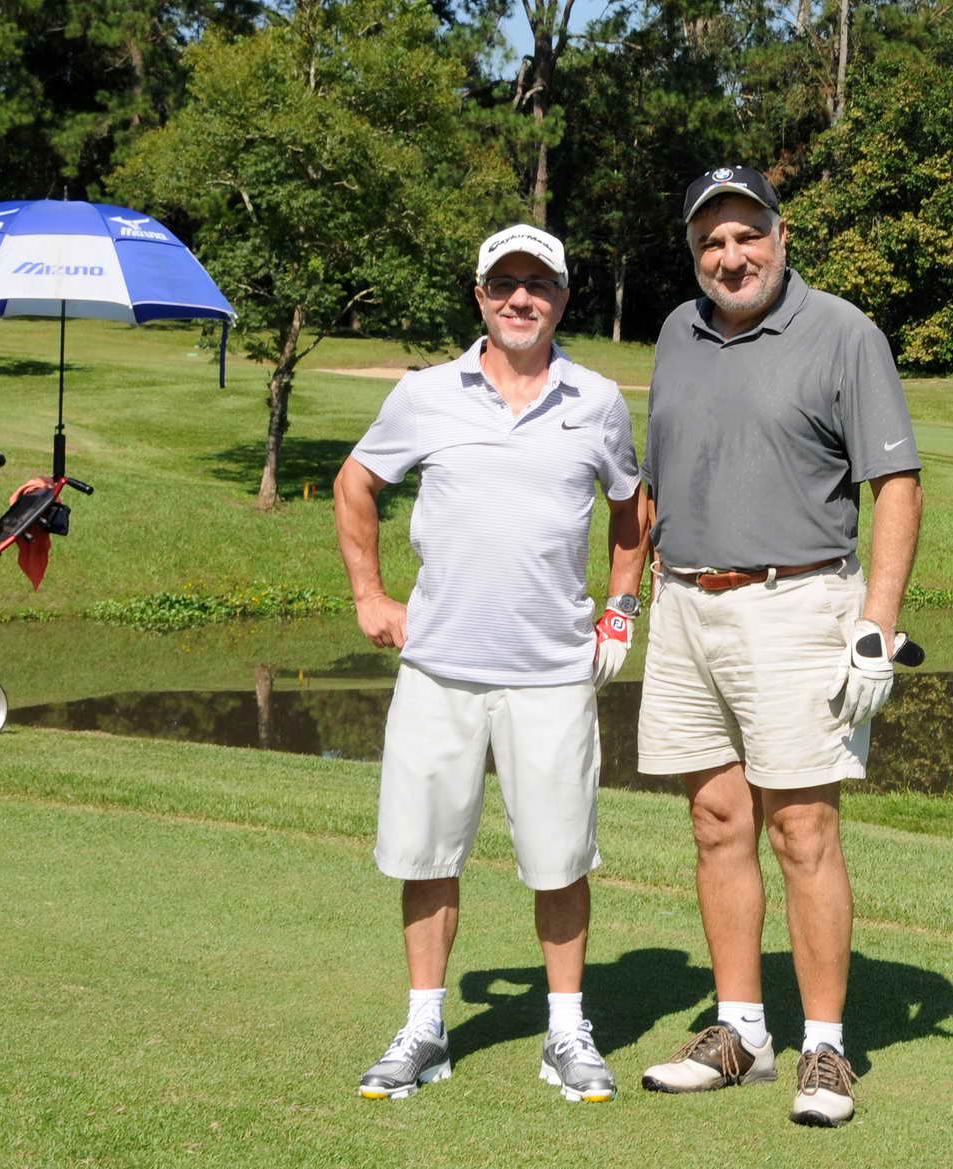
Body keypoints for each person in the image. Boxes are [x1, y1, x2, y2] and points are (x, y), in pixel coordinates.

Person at [333, 223, 648, 1103]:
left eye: (538, 284)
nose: (520, 299)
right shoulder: (425, 394)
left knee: (560, 858)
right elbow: (356, 484)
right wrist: (370, 595)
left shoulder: (597, 400)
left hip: (553, 670)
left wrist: (621, 608)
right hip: (440, 664)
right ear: (479, 296)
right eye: (503, 283)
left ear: (562, 299)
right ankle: (424, 1027)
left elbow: (632, 508)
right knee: (427, 853)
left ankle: (566, 1030)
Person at [636, 166, 923, 1128]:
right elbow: (657, 480)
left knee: (803, 830)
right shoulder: (676, 333)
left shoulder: (844, 332)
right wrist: (628, 596)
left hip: (797, 603)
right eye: (711, 241)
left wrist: (877, 619)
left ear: (781, 234)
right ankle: (742, 1033)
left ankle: (827, 1045)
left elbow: (896, 485)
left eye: (746, 235)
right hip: (686, 604)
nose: (731, 256)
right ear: (694, 252)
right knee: (717, 821)